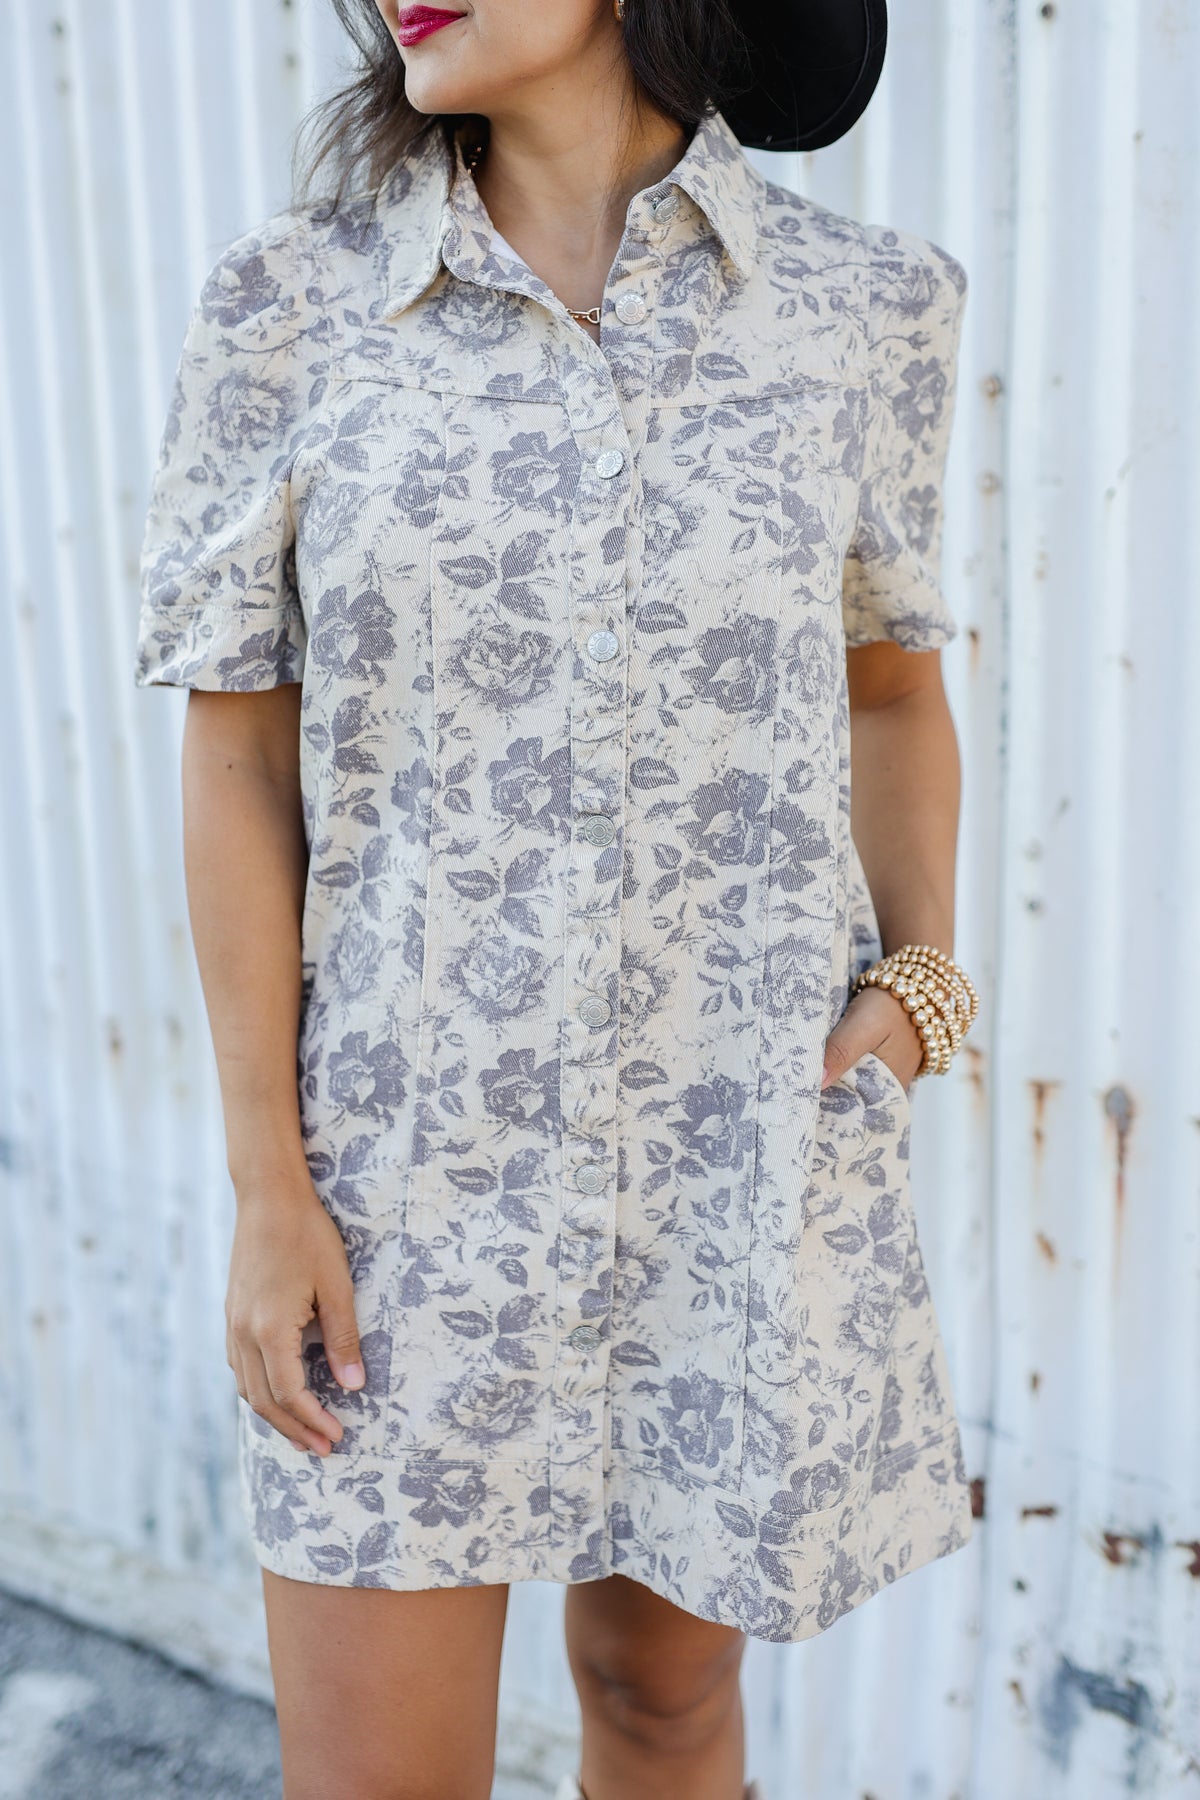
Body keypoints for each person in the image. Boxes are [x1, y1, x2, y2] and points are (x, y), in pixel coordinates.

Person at [133, 1, 981, 1795]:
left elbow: (894, 687)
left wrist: (923, 983)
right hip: (398, 1195)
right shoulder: (288, 309)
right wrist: (268, 1188)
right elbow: (237, 763)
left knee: (669, 1715)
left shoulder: (867, 307)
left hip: (729, 1170)